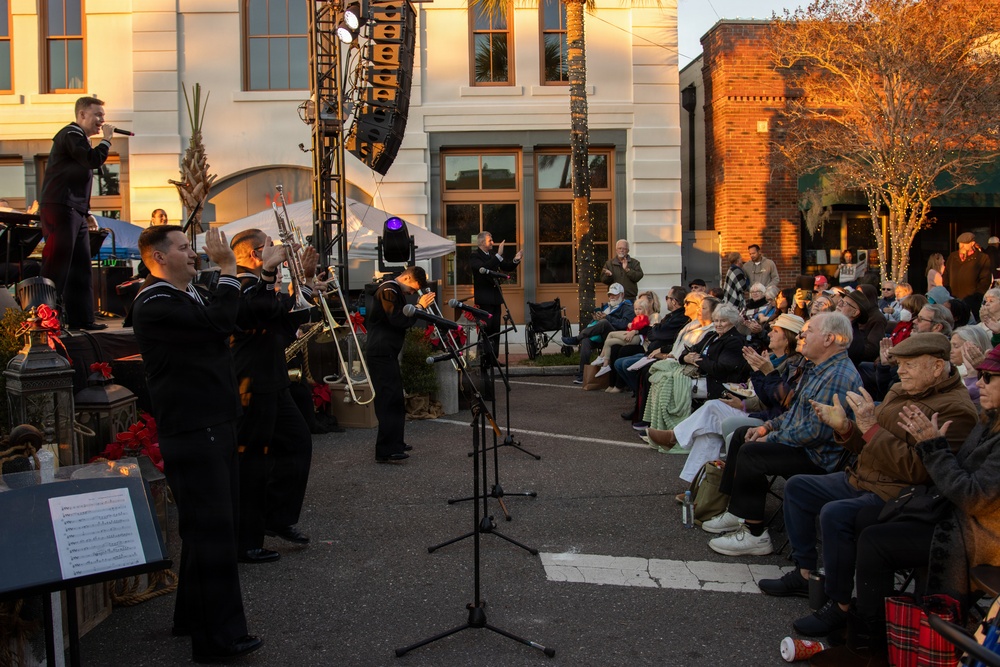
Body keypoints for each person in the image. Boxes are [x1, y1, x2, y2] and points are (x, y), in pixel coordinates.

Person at [758, 333, 978, 637]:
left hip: (900, 493)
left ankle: (840, 605)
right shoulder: (901, 390)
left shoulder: (955, 410)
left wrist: (870, 428)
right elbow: (868, 442)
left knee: (836, 515)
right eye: (899, 364)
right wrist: (846, 428)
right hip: (864, 477)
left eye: (909, 365)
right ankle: (805, 571)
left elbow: (920, 471)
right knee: (798, 488)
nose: (899, 371)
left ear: (937, 367)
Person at [807, 347, 1000, 666]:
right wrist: (853, 429)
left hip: (976, 538)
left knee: (875, 541)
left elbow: (972, 496)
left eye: (990, 377)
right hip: (948, 511)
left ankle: (868, 651)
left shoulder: (962, 411)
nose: (980, 382)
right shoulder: (988, 420)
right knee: (865, 517)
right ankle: (861, 620)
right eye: (980, 374)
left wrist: (932, 446)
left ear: (937, 367)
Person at [127, 225, 261, 663]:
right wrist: (228, 268)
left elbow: (234, 317)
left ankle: (190, 616)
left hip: (214, 424)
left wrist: (252, 276)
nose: (194, 254)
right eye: (184, 248)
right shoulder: (155, 302)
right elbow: (221, 321)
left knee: (206, 530)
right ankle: (218, 640)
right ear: (160, 258)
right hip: (193, 428)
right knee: (214, 534)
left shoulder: (190, 294)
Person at [703, 312, 862, 557]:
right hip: (806, 446)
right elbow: (794, 412)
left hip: (819, 458)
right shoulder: (818, 368)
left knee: (752, 452)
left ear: (829, 338)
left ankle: (755, 534)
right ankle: (737, 512)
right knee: (743, 434)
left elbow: (816, 431)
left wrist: (772, 437)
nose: (803, 335)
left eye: (809, 330)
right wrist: (767, 427)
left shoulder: (837, 375)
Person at [229, 229, 317, 563]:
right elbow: (257, 310)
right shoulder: (239, 285)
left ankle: (276, 517)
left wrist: (305, 286)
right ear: (254, 254)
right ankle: (245, 540)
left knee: (297, 443)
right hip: (251, 385)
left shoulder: (261, 286)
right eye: (271, 246)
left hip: (273, 382)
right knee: (252, 463)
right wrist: (268, 274)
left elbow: (287, 319)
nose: (281, 251)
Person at [647, 313, 806, 484]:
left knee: (711, 416)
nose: (769, 334)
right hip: (762, 410)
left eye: (775, 330)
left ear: (787, 337)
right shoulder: (772, 359)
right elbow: (765, 395)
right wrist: (756, 377)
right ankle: (698, 486)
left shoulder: (792, 364)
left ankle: (679, 446)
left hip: (771, 419)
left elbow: (780, 401)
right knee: (710, 422)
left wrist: (762, 376)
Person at [38, 96, 115, 331]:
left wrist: (86, 212)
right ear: (82, 115)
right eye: (98, 115)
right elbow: (91, 160)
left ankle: (82, 319)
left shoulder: (79, 139)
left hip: (76, 210)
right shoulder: (70, 134)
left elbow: (77, 177)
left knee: (81, 266)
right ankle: (43, 319)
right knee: (58, 263)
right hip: (60, 207)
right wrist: (107, 141)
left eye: (103, 115)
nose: (102, 120)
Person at [639, 303, 750, 433]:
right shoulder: (712, 336)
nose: (719, 324)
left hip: (717, 382)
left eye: (723, 321)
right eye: (716, 321)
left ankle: (674, 430)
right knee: (661, 380)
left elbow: (720, 369)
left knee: (670, 385)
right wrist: (686, 358)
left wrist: (697, 360)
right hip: (700, 375)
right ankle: (658, 425)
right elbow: (688, 351)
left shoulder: (734, 341)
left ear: (731, 322)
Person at [366, 265, 436, 462]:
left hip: (387, 352)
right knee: (388, 399)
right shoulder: (388, 290)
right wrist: (420, 308)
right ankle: (386, 449)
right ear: (406, 279)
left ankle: (396, 442)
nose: (413, 293)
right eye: (413, 288)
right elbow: (397, 319)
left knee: (395, 398)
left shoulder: (394, 290)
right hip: (381, 352)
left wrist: (418, 308)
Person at [563, 283, 634, 384]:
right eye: (610, 295)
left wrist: (606, 318)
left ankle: (576, 339)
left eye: (614, 294)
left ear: (622, 295)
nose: (611, 297)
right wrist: (597, 318)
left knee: (604, 322)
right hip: (602, 336)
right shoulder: (607, 306)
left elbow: (624, 324)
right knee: (586, 340)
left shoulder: (628, 307)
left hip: (617, 336)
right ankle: (583, 375)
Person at [470, 231, 521, 368]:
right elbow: (483, 268)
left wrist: (516, 260)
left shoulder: (492, 256)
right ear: (481, 242)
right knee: (486, 329)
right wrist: (498, 255)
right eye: (489, 240)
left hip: (495, 298)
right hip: (484, 300)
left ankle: (493, 358)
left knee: (496, 330)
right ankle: (484, 359)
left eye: (492, 240)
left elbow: (505, 267)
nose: (492, 242)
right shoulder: (475, 256)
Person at [944, 232, 992, 316]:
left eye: (965, 243)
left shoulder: (982, 258)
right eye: (960, 243)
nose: (962, 246)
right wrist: (947, 291)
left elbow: (985, 280)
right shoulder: (953, 256)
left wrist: (976, 296)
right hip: (953, 299)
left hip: (972, 301)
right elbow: (946, 275)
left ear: (972, 243)